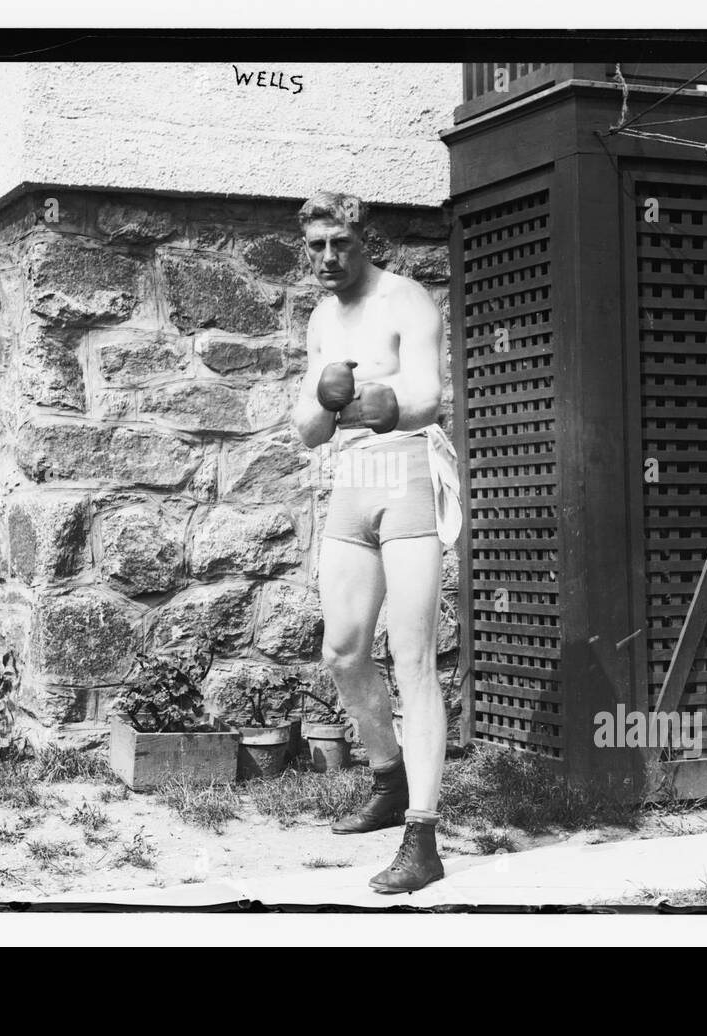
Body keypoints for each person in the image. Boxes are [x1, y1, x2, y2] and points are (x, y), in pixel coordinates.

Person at [290, 190, 461, 894]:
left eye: (340, 245)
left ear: (366, 242)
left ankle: (422, 838)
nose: (327, 259)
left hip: (409, 475)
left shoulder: (407, 300)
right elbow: (306, 429)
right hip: (354, 481)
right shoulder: (322, 317)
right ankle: (387, 778)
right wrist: (326, 402)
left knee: (413, 656)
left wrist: (365, 404)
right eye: (316, 247)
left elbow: (425, 398)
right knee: (342, 650)